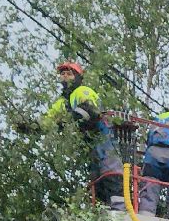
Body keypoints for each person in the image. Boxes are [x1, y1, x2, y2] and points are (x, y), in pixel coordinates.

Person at [30, 60, 124, 208]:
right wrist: (31, 126)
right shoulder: (62, 102)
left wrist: (69, 121)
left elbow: (89, 109)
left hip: (102, 136)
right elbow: (48, 120)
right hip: (91, 143)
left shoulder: (82, 91)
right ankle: (104, 210)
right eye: (63, 74)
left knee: (111, 172)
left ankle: (120, 210)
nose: (65, 77)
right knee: (97, 178)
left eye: (69, 74)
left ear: (78, 77)